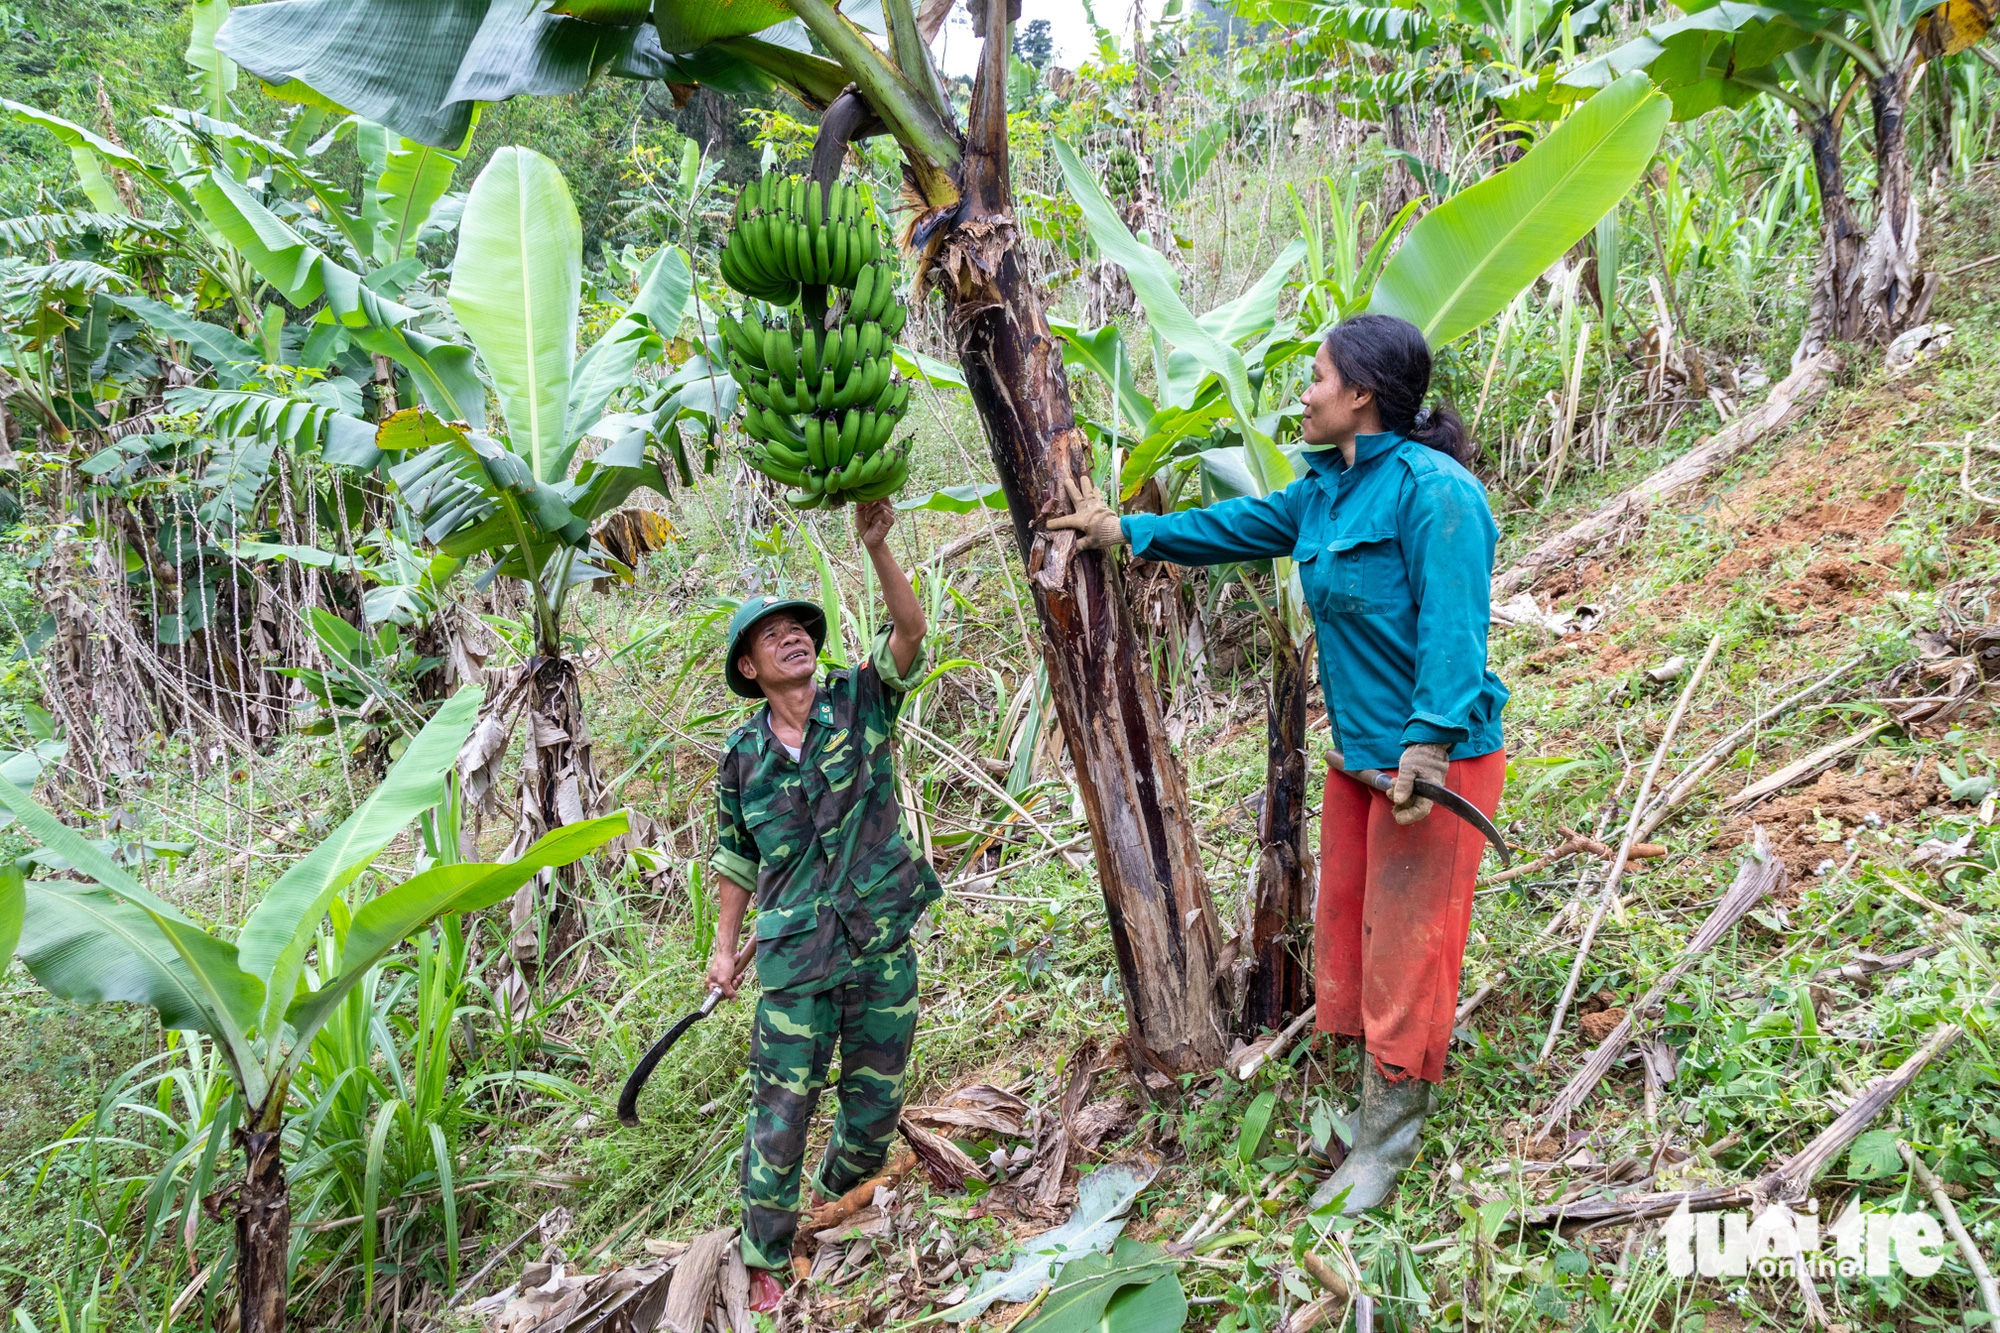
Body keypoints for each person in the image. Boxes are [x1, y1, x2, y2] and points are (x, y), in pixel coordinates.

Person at [1048, 313, 1508, 1215]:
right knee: (1355, 931)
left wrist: (1427, 745)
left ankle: (1386, 1144)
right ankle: (1367, 1093)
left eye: (1320, 377)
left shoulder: (1435, 493)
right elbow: (1235, 524)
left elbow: (1457, 631)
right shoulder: (1325, 491)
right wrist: (1126, 532)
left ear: (1363, 394)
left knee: (1409, 951)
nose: (1306, 392)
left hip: (1432, 769)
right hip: (1362, 765)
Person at [707, 498, 938, 1301]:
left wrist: (878, 548)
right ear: (750, 668)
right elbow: (737, 857)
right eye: (773, 635)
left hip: (877, 938)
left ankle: (835, 1205)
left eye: (800, 627)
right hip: (797, 956)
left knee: (875, 1098)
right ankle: (765, 1258)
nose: (793, 636)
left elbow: (910, 632)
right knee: (780, 1111)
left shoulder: (859, 699)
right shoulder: (740, 758)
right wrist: (722, 945)